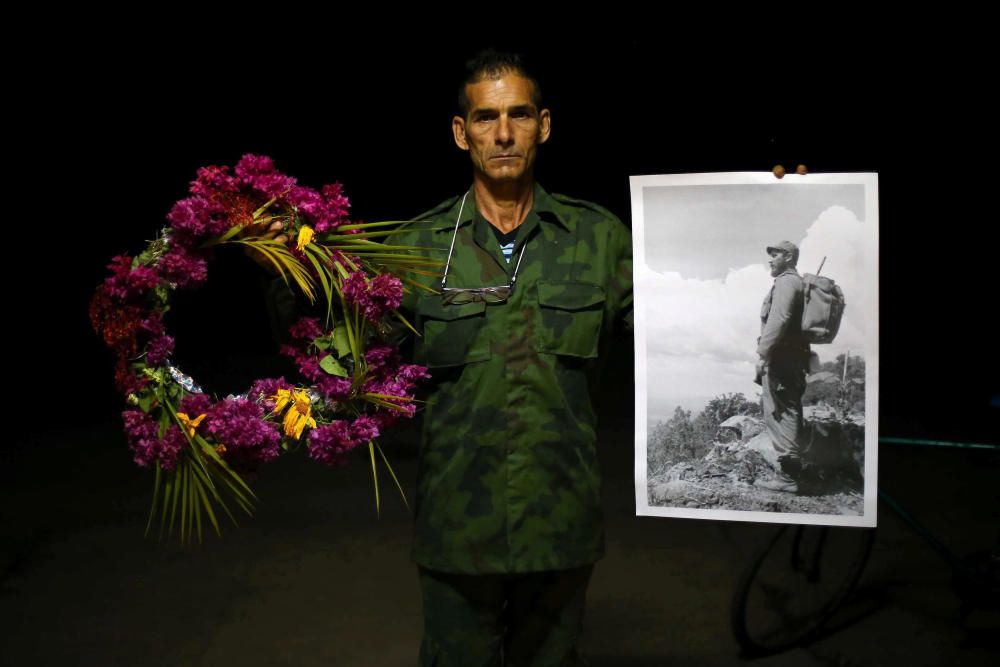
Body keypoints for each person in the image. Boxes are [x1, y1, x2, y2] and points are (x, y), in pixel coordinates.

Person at [391, 50, 633, 666]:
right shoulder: (415, 249)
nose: (503, 133)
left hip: (561, 523)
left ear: (543, 125)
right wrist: (283, 267)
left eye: (519, 114)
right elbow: (333, 351)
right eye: (485, 117)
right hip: (457, 533)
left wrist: (766, 206)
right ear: (460, 131)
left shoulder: (600, 241)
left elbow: (686, 326)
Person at [755, 240, 810, 494]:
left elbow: (779, 319)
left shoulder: (787, 282)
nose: (770, 259)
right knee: (783, 409)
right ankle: (790, 473)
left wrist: (762, 353)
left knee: (783, 412)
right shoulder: (793, 282)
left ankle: (788, 478)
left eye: (775, 254)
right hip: (789, 358)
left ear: (788, 257)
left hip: (782, 359)